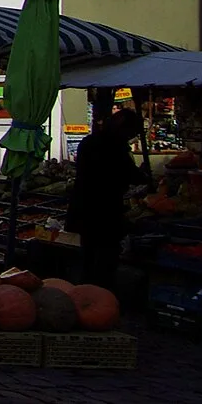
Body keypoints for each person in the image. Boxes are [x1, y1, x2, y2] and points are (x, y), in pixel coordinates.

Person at [66, 108, 151, 288]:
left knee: (89, 253)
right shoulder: (113, 146)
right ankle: (101, 290)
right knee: (105, 256)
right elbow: (126, 173)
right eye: (131, 133)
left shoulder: (90, 141)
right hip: (104, 209)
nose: (131, 137)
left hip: (86, 207)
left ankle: (88, 289)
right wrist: (145, 179)